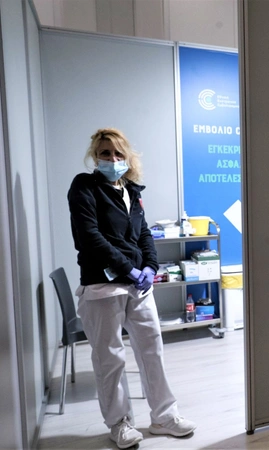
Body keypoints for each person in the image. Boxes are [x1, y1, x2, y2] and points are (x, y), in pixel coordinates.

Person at [68, 128, 196, 449]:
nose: (112, 159)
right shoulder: (84, 186)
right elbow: (90, 237)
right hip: (103, 286)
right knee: (110, 358)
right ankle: (120, 423)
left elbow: (144, 234)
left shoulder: (131, 190)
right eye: (105, 153)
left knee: (152, 351)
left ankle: (164, 416)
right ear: (95, 156)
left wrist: (151, 267)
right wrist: (130, 269)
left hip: (139, 287)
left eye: (118, 153)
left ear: (127, 156)